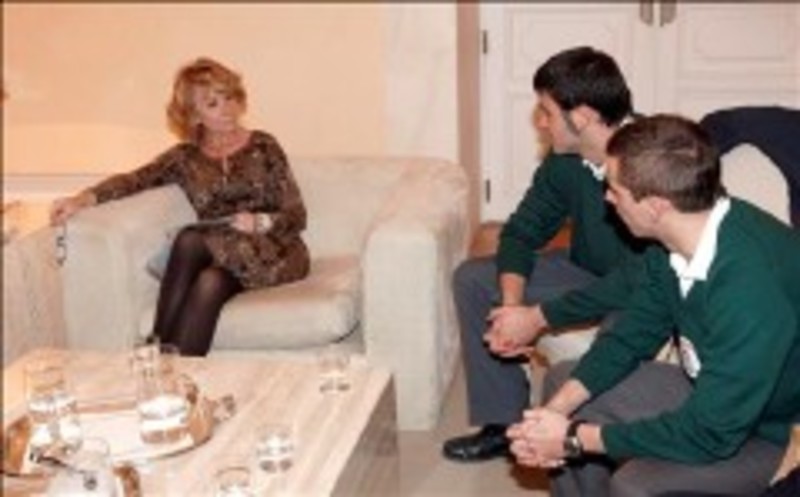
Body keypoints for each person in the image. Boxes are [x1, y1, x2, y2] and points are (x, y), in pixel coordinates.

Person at [507, 114, 800, 496]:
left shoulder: (749, 288)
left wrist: (575, 439)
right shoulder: (679, 239)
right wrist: (553, 416)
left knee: (637, 485)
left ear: (656, 206)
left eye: (615, 189)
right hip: (717, 394)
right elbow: (631, 336)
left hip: (776, 433)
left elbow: (711, 434)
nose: (607, 198)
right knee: (565, 383)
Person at [443, 46, 650, 462]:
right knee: (473, 279)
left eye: (546, 111)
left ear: (583, 117)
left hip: (644, 292)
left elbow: (637, 282)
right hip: (587, 268)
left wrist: (538, 318)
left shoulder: (653, 159)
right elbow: (522, 231)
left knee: (618, 339)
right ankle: (503, 422)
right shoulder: (567, 160)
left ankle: (585, 441)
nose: (539, 122)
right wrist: (512, 306)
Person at [50, 57, 310, 356]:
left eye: (230, 97)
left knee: (189, 239)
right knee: (209, 284)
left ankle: (156, 347)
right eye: (213, 103)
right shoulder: (185, 158)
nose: (228, 108)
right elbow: (136, 179)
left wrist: (259, 222)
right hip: (224, 260)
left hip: (275, 249)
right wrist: (83, 198)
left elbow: (297, 215)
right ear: (194, 115)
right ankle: (171, 375)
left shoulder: (264, 146)